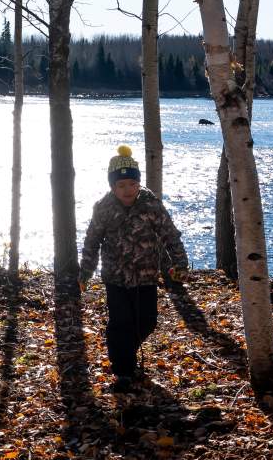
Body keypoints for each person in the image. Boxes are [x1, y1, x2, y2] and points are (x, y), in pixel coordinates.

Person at [79, 145, 190, 393]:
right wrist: (85, 272)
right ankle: (123, 372)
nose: (127, 190)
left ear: (138, 183)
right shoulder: (103, 208)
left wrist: (180, 264)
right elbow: (92, 241)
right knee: (120, 322)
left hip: (146, 275)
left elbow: (170, 235)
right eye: (121, 185)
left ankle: (124, 352)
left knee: (147, 322)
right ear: (112, 187)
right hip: (115, 278)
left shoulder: (151, 205)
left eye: (132, 184)